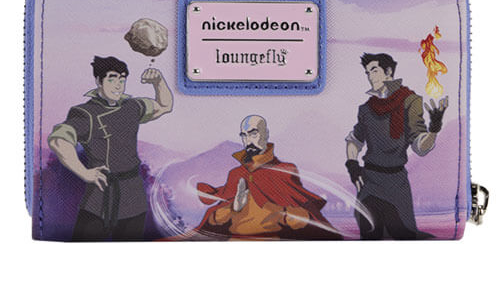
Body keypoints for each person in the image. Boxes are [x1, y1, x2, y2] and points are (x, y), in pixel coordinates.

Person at [48, 56, 173, 240]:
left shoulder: (133, 106)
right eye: (112, 79)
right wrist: (83, 172)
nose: (118, 86)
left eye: (122, 80)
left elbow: (164, 105)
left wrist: (158, 82)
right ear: (99, 81)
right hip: (99, 197)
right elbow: (59, 140)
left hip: (133, 198)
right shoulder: (85, 113)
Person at [345, 53, 448, 240]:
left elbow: (419, 145)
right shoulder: (366, 109)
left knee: (404, 236)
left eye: (374, 71)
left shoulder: (410, 101)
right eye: (368, 72)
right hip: (369, 181)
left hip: (396, 183)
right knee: (369, 235)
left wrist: (433, 130)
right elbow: (354, 140)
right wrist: (352, 164)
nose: (370, 77)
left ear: (388, 72)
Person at [194, 115, 342, 240]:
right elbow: (215, 220)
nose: (248, 141)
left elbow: (303, 218)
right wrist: (234, 208)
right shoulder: (236, 174)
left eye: (253, 134)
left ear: (265, 134)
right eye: (244, 135)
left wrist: (279, 213)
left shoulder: (284, 170)